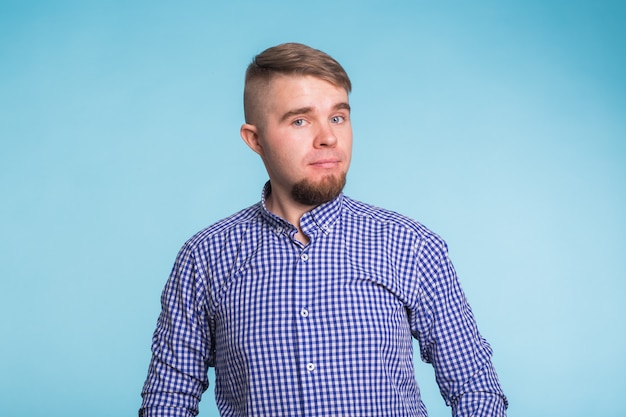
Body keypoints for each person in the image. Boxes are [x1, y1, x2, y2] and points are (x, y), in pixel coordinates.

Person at [139, 42, 508, 417]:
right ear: (255, 139)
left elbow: (475, 387)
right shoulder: (204, 257)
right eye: (300, 120)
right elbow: (168, 400)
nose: (328, 138)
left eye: (338, 117)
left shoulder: (410, 245)